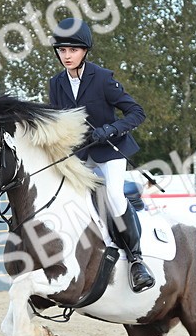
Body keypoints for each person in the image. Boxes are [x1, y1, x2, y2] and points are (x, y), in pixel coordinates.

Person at [47, 17, 153, 292]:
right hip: (79, 155)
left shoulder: (103, 78)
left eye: (72, 50)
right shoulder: (56, 83)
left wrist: (110, 129)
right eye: (62, 50)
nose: (66, 55)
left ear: (84, 51)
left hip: (109, 150)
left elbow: (136, 113)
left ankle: (136, 260)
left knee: (115, 197)